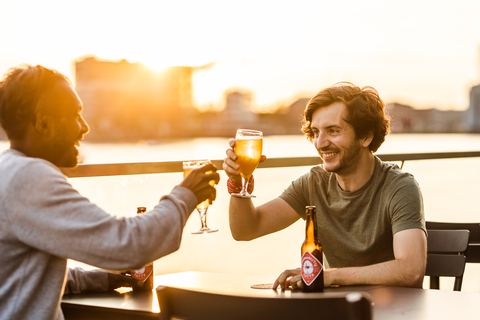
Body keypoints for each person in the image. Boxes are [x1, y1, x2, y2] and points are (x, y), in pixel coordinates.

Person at [0, 64, 220, 320]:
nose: (85, 127)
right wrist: (185, 195)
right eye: (75, 115)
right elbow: (128, 246)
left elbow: (26, 273)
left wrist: (102, 279)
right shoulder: (30, 178)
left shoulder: (9, 171)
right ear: (43, 123)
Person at [223, 82, 427, 290]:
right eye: (316, 132)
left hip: (394, 311)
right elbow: (246, 230)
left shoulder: (400, 187)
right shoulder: (313, 183)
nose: (320, 143)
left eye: (333, 131)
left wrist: (327, 276)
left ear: (366, 136)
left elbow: (411, 271)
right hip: (336, 308)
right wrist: (238, 181)